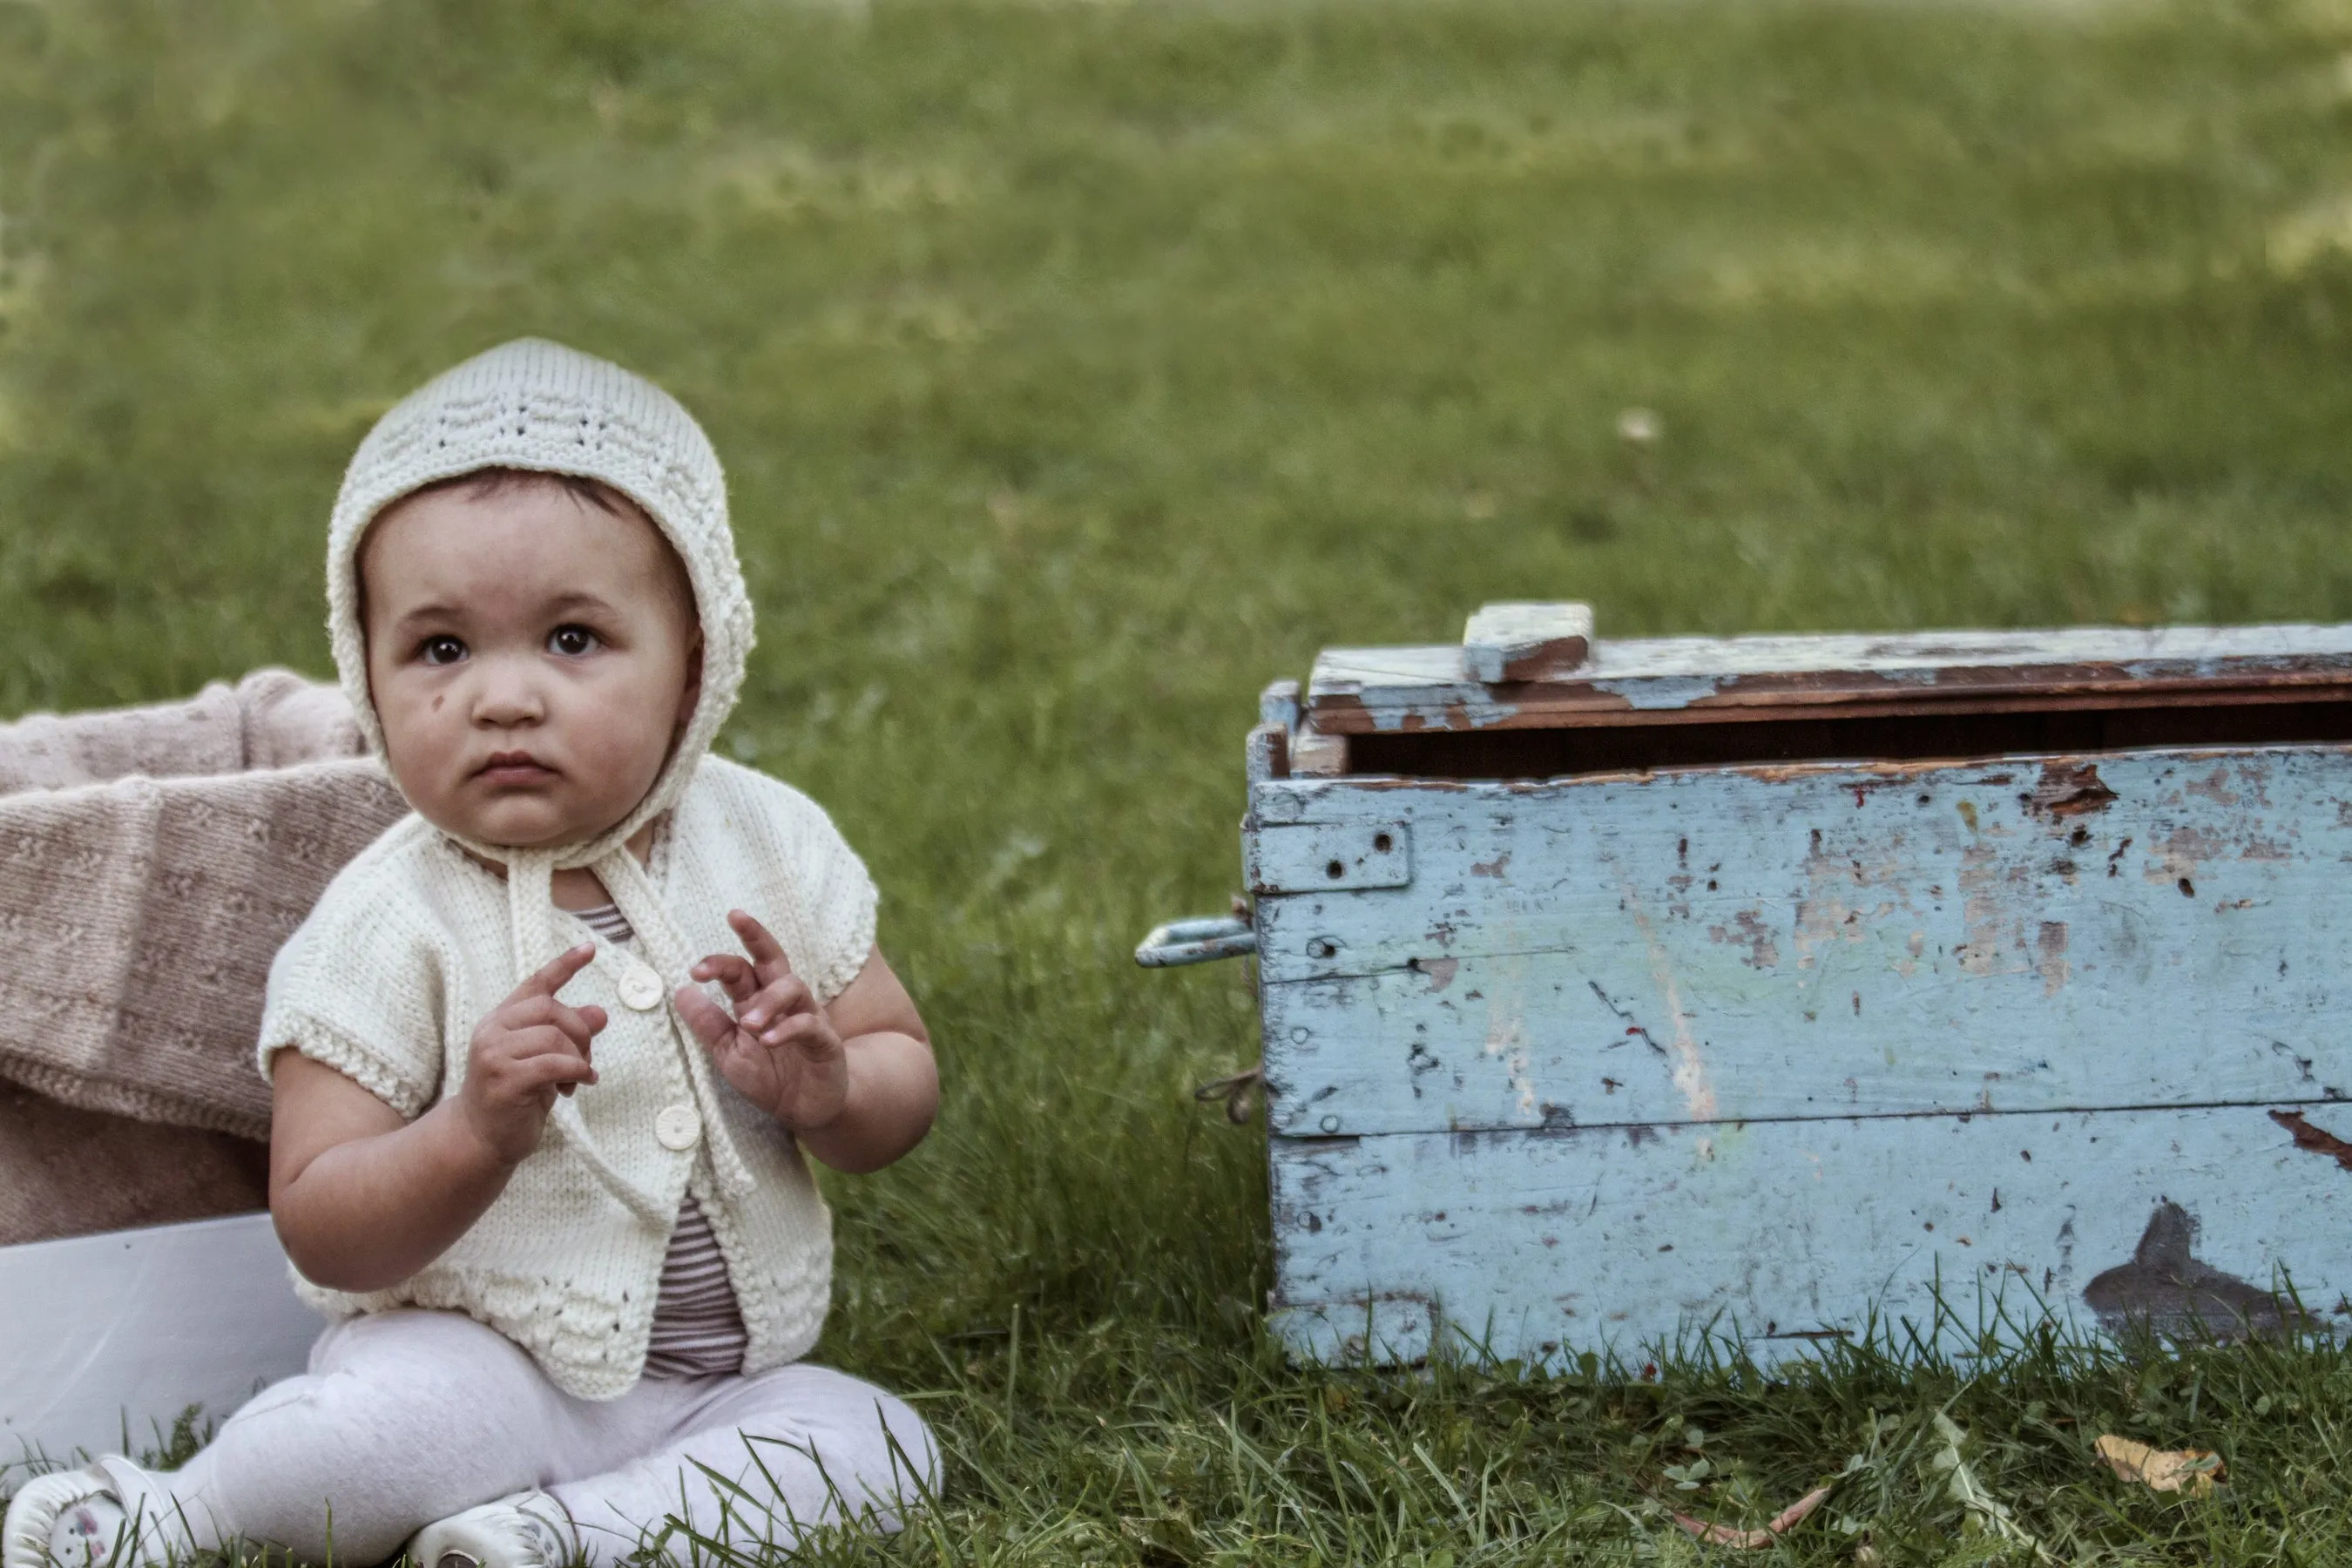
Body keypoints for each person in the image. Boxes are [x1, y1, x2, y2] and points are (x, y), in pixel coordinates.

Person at [2, 340, 942, 1568]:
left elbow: (900, 1084)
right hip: (478, 1362)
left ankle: (549, 1539)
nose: (504, 698)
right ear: (370, 678)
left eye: (571, 640)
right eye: (441, 650)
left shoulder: (770, 844)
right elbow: (324, 1226)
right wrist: (472, 1132)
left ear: (696, 663)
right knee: (373, 1443)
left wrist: (834, 1088)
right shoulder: (383, 921)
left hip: (729, 1384)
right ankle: (169, 1515)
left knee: (874, 1439)